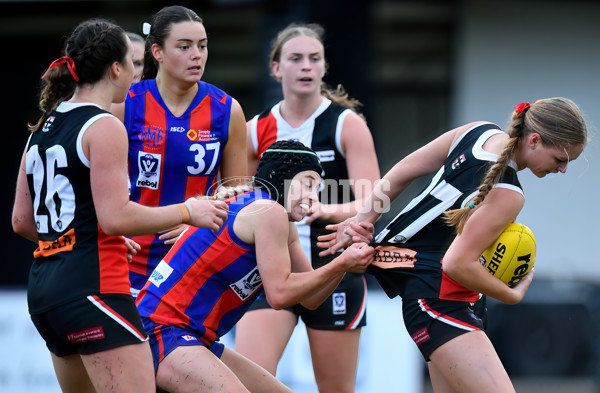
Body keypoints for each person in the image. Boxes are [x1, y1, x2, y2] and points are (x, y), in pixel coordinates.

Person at [11, 19, 229, 393]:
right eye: (133, 62)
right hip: (95, 287)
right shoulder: (104, 125)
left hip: (46, 293)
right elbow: (116, 217)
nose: (138, 72)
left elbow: (22, 220)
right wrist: (189, 211)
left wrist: (86, 235)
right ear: (116, 68)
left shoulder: (44, 126)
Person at [318, 98, 587, 393]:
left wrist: (363, 218)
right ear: (534, 140)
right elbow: (457, 263)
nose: (562, 170)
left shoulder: (477, 131)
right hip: (442, 302)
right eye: (561, 160)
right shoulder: (509, 192)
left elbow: (405, 168)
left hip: (434, 298)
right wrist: (511, 295)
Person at [135, 140, 375, 393]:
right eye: (307, 184)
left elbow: (312, 299)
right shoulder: (268, 211)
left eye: (317, 189)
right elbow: (279, 295)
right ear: (279, 177)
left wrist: (343, 259)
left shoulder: (276, 217)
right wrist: (341, 263)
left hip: (192, 337)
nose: (313, 198)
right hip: (161, 332)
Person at [234, 23, 380, 393]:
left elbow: (374, 200)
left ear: (324, 67)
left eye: (314, 59)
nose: (306, 67)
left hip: (333, 269)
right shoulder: (256, 128)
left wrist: (326, 210)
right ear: (276, 68)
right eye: (295, 58)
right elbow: (239, 201)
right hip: (269, 272)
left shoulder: (346, 124)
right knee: (246, 383)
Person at [112, 5, 247, 298]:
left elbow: (239, 198)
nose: (197, 54)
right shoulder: (125, 104)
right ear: (157, 53)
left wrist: (198, 224)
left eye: (202, 46)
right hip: (128, 264)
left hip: (194, 262)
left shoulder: (227, 110)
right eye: (184, 47)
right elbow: (93, 187)